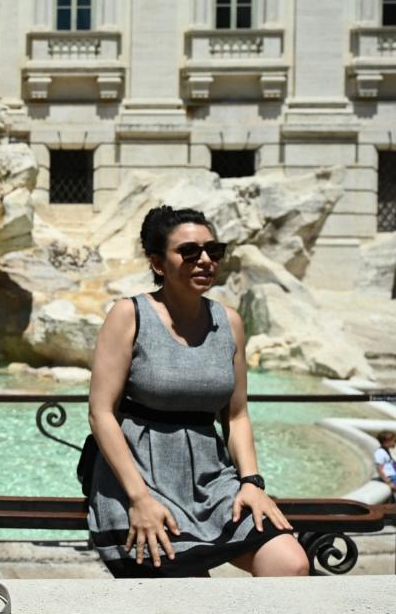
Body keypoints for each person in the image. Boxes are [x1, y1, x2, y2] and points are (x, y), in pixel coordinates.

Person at [86, 205, 310, 578]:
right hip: (139, 477)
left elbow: (236, 415)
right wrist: (139, 498)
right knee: (184, 587)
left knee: (292, 563)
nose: (205, 260)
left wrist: (251, 482)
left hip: (211, 479)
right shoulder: (129, 315)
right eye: (189, 252)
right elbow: (101, 413)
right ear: (158, 263)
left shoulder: (230, 322)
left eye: (213, 250)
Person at [374, 431, 396, 497]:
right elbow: (379, 469)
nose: (395, 443)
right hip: (390, 478)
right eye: (394, 441)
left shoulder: (386, 451)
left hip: (394, 477)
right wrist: (388, 482)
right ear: (387, 441)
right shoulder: (380, 452)